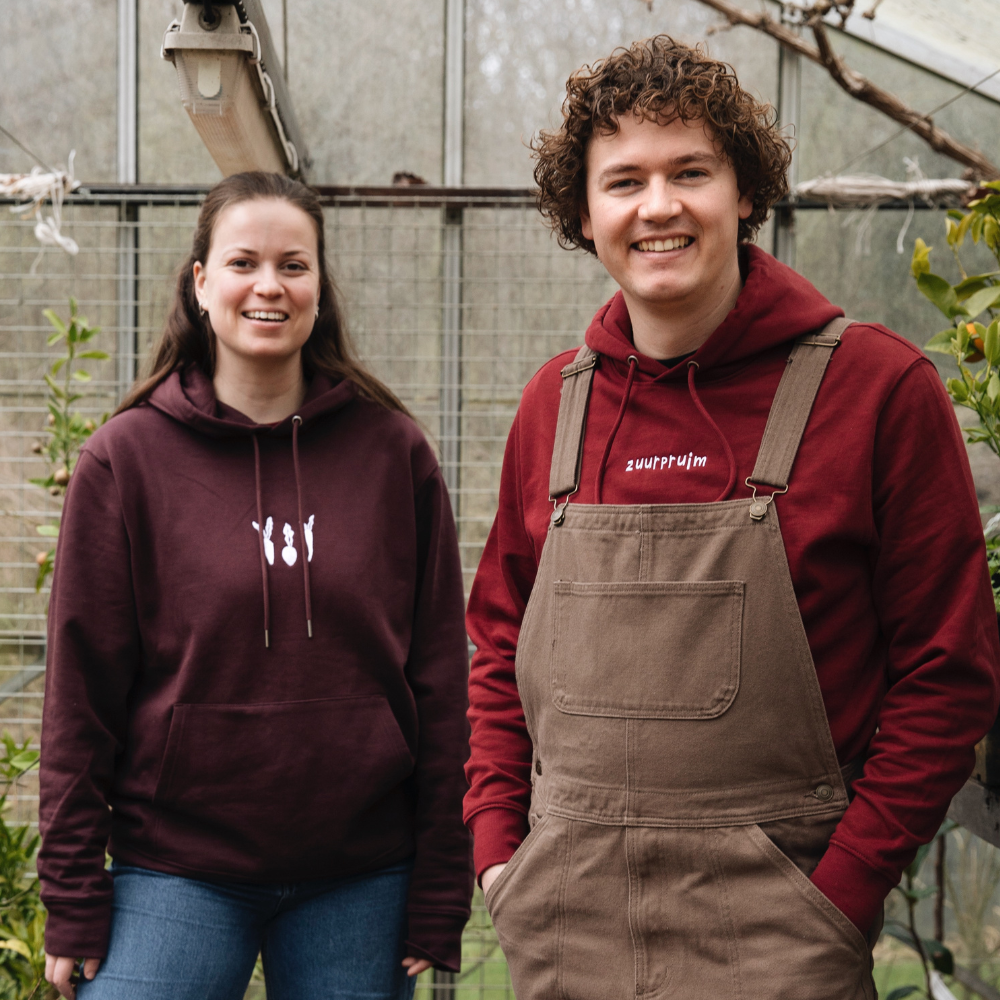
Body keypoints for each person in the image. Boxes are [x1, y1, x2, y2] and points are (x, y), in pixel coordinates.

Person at [463, 35, 1000, 999]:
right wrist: (501, 854)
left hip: (783, 936)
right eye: (623, 181)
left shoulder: (877, 390)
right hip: (562, 928)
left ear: (745, 191)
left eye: (690, 172)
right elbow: (499, 646)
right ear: (584, 214)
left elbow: (948, 672)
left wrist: (845, 890)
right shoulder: (553, 406)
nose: (658, 206)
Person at [38, 171, 472, 1000]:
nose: (269, 285)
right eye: (244, 263)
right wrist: (72, 893)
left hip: (363, 875)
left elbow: (442, 681)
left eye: (293, 265)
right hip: (176, 867)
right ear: (202, 283)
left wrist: (441, 882)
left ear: (319, 287)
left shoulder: (395, 455)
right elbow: (80, 695)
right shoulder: (125, 462)